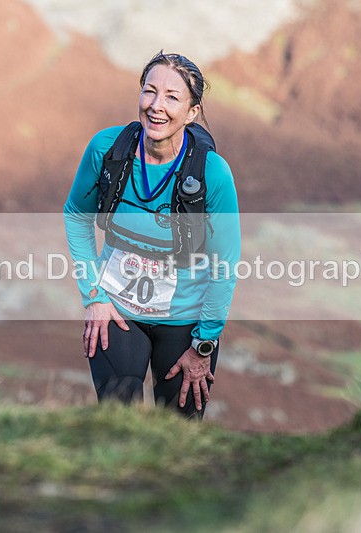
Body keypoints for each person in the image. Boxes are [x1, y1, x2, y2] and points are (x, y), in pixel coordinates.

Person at [63, 51, 240, 419]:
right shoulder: (107, 149)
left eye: (172, 97)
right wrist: (93, 295)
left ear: (192, 112)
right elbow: (76, 216)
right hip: (116, 311)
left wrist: (204, 343)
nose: (157, 106)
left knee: (178, 436)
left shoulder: (213, 173)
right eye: (150, 91)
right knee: (119, 422)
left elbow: (224, 265)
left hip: (185, 324)